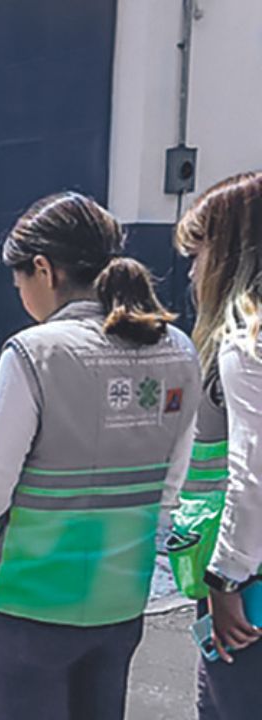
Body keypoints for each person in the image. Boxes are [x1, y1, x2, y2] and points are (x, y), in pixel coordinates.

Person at [0, 192, 200, 720]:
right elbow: (174, 487)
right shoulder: (178, 348)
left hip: (28, 601)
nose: (21, 295)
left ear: (43, 268)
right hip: (121, 598)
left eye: (20, 281)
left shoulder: (34, 351)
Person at [171, 171, 262, 718]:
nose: (192, 268)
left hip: (249, 588)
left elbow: (253, 468)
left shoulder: (244, 342)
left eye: (198, 250)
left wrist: (227, 575)